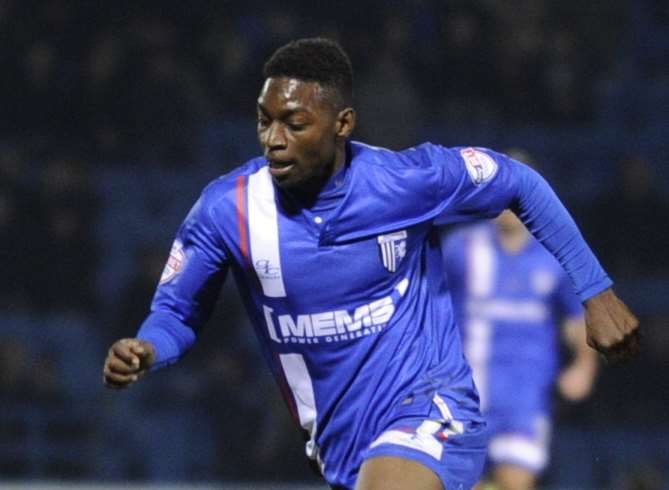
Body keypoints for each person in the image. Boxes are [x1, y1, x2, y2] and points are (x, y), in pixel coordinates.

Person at [103, 38, 640, 490]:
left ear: (343, 124)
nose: (273, 139)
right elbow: (177, 311)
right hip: (339, 442)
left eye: (294, 123)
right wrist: (148, 348)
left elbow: (518, 182)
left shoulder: (406, 182)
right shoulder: (228, 210)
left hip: (431, 405)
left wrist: (597, 291)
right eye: (264, 121)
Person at [442, 190, 599, 490]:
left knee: (517, 483)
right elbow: (432, 305)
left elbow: (576, 317)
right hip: (463, 394)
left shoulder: (554, 255)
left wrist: (584, 364)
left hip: (525, 398)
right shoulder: (461, 248)